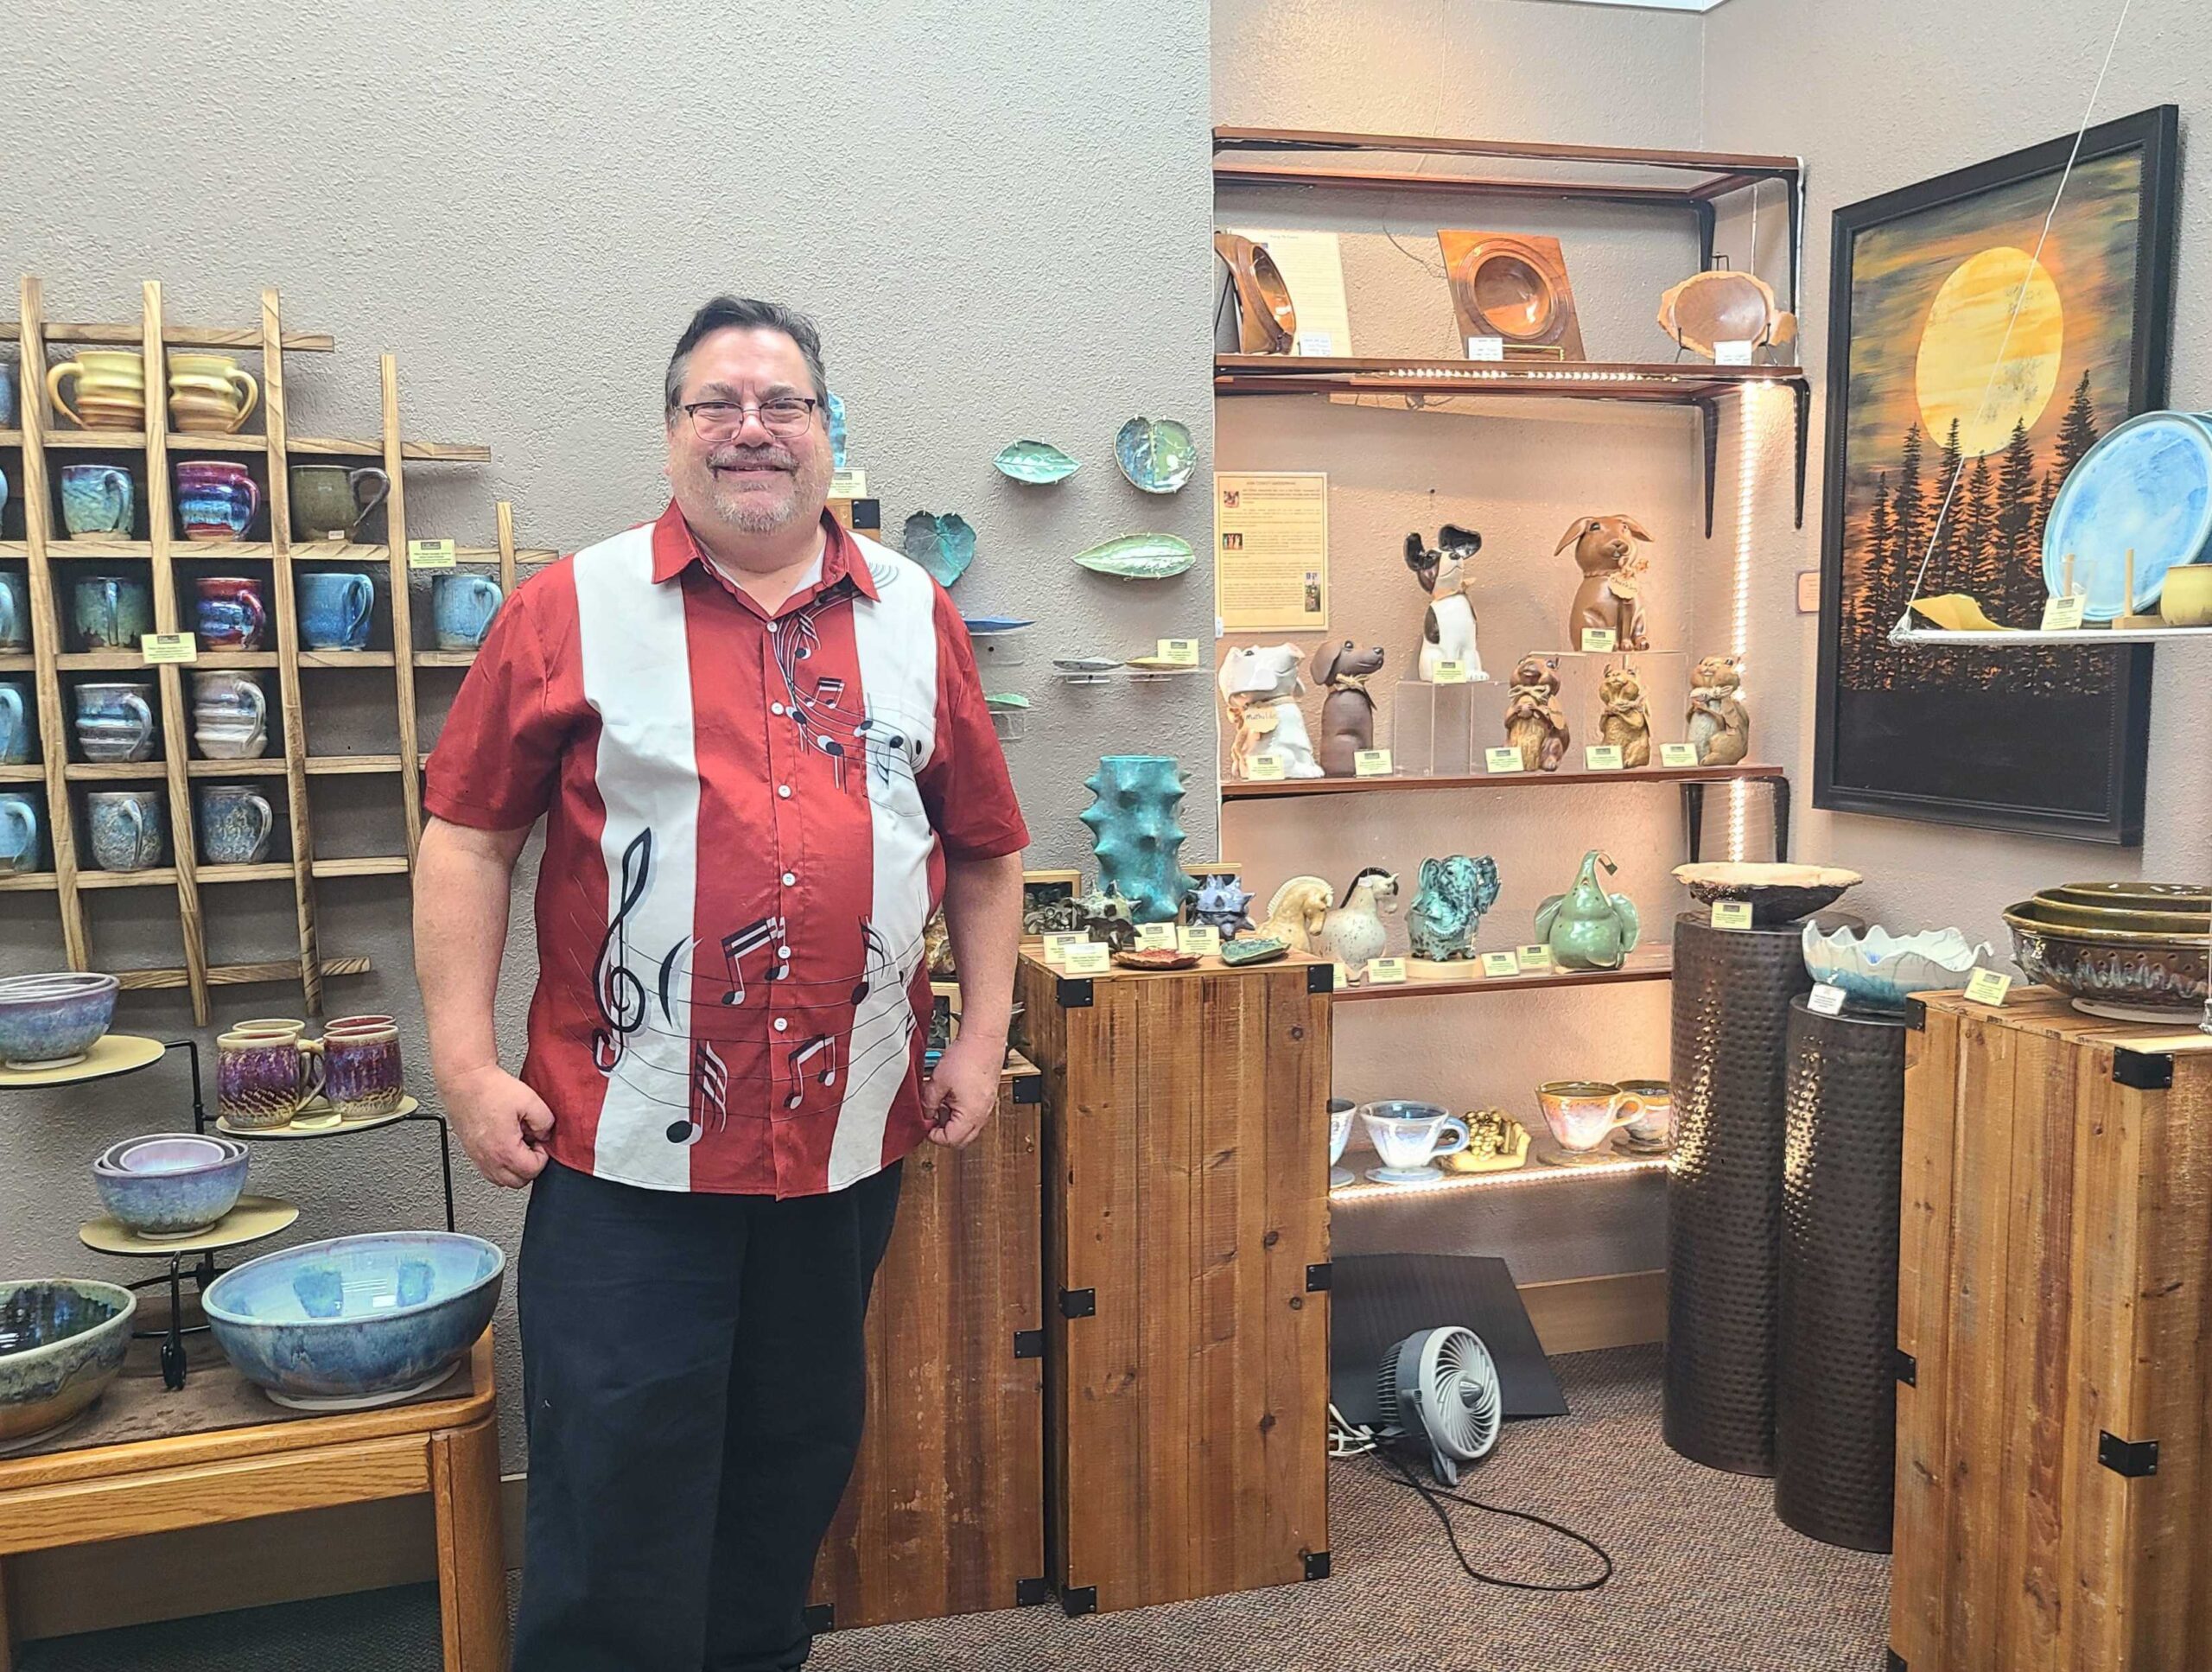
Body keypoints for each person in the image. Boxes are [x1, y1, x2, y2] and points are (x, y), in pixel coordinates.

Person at [412, 296, 1028, 1671]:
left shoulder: (915, 613)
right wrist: (463, 1062)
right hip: (625, 1141)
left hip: (845, 1140)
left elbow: (986, 850)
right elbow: (467, 838)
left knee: (790, 1461)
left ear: (826, 431)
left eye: (783, 404)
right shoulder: (570, 607)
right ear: (673, 432)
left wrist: (981, 1039)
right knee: (616, 1473)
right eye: (718, 404)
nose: (753, 430)